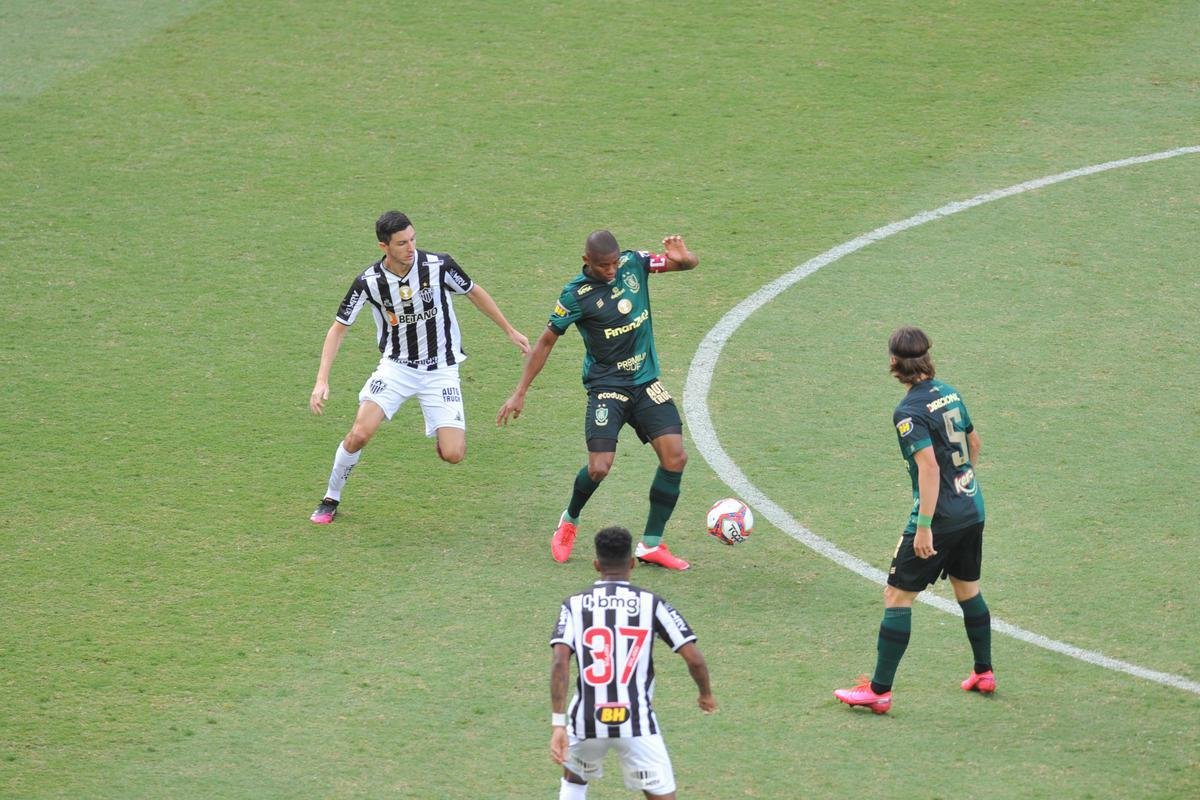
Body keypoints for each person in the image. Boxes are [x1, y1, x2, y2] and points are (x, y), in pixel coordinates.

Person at [308, 210, 530, 523]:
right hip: (396, 368)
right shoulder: (369, 282)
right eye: (402, 243)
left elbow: (474, 292)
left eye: (413, 239)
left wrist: (509, 330)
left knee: (454, 454)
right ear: (384, 246)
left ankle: (442, 432)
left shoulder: (439, 266)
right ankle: (331, 497)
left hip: (441, 369)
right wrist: (322, 380)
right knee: (360, 433)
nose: (411, 247)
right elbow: (338, 329)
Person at [497, 230, 698, 570]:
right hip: (607, 387)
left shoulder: (634, 263)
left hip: (645, 381)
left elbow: (687, 264)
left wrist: (684, 256)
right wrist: (520, 391)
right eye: (604, 265)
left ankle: (651, 544)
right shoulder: (575, 295)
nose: (612, 270)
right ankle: (570, 519)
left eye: (615, 263)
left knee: (675, 457)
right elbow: (545, 342)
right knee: (599, 467)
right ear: (587, 261)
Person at [834, 327, 992, 713]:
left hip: (939, 519)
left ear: (893, 361)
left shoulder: (907, 412)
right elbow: (974, 443)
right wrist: (963, 484)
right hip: (972, 508)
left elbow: (929, 468)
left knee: (897, 597)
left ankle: (879, 691)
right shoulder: (950, 392)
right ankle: (983, 672)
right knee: (968, 590)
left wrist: (924, 527)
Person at [549, 526, 716, 799]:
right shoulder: (652, 604)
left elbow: (559, 662)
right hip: (636, 722)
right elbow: (694, 658)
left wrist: (558, 723)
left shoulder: (574, 605)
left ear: (596, 564)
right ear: (632, 564)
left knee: (574, 781)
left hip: (586, 720)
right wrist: (705, 694)